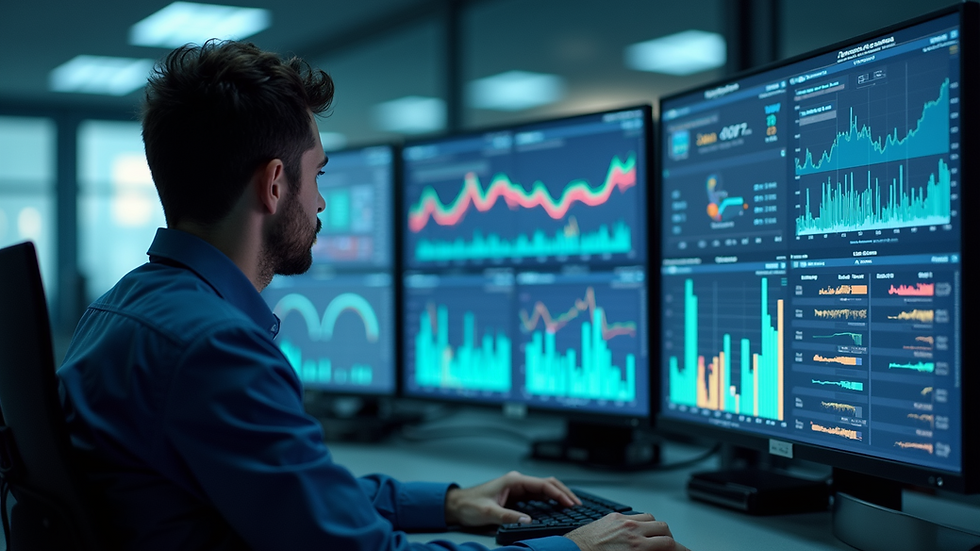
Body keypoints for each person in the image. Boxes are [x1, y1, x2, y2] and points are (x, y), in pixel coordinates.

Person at [56, 40, 689, 551]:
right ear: (276, 184)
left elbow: (288, 493)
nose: (322, 200)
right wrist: (576, 549)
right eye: (318, 174)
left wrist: (444, 502)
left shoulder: (123, 310)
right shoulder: (216, 349)